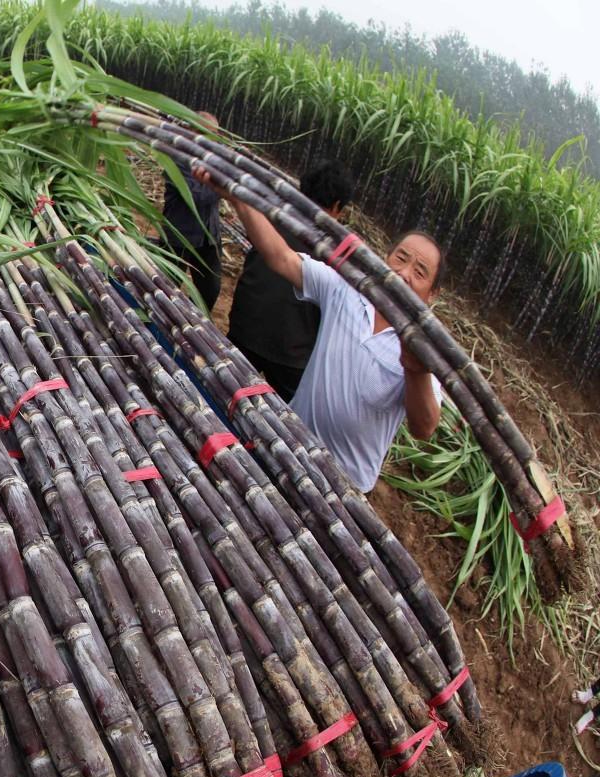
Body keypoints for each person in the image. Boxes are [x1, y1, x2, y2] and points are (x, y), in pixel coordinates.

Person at [192, 165, 443, 493]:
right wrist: (238, 199)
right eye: (401, 258)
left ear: (432, 294)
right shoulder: (348, 289)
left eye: (420, 271)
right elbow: (282, 258)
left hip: (344, 486)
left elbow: (424, 427)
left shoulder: (426, 350)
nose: (404, 273)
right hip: (290, 445)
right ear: (386, 257)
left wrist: (415, 370)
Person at [228, 160, 355, 401]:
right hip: (290, 353)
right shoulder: (334, 250)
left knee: (227, 390)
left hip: (245, 328)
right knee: (291, 416)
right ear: (337, 206)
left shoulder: (272, 215)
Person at [163, 111, 224, 311]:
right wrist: (226, 185)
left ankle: (192, 320)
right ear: (191, 132)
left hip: (209, 236)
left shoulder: (214, 158)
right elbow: (198, 196)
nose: (213, 142)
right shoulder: (177, 157)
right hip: (180, 236)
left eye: (216, 136)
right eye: (209, 135)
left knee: (210, 290)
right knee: (167, 287)